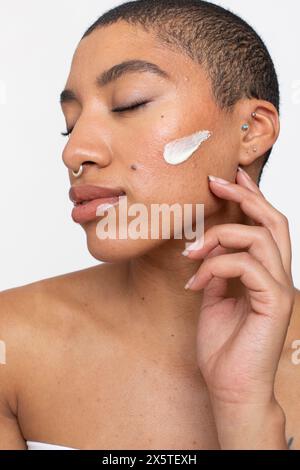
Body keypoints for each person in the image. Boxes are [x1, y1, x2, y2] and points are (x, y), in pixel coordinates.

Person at [0, 0, 299, 450]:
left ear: (251, 130)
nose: (75, 152)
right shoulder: (11, 345)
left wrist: (245, 412)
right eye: (70, 124)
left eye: (129, 103)